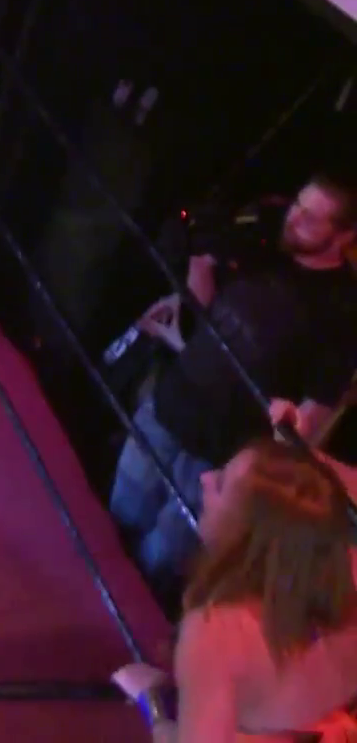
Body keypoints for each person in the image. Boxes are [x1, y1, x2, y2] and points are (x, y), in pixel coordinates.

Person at [112, 171, 357, 597]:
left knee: (157, 562)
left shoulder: (342, 313)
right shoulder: (265, 240)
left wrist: (267, 451)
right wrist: (200, 258)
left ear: (344, 236)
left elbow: (312, 417)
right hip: (173, 403)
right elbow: (203, 309)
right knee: (118, 513)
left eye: (311, 218)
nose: (294, 219)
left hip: (216, 457)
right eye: (297, 206)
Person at [112, 403, 357, 741]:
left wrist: (153, 700)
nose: (205, 478)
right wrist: (295, 447)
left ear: (245, 536)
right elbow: (321, 499)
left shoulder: (219, 632)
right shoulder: (341, 578)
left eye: (221, 485)